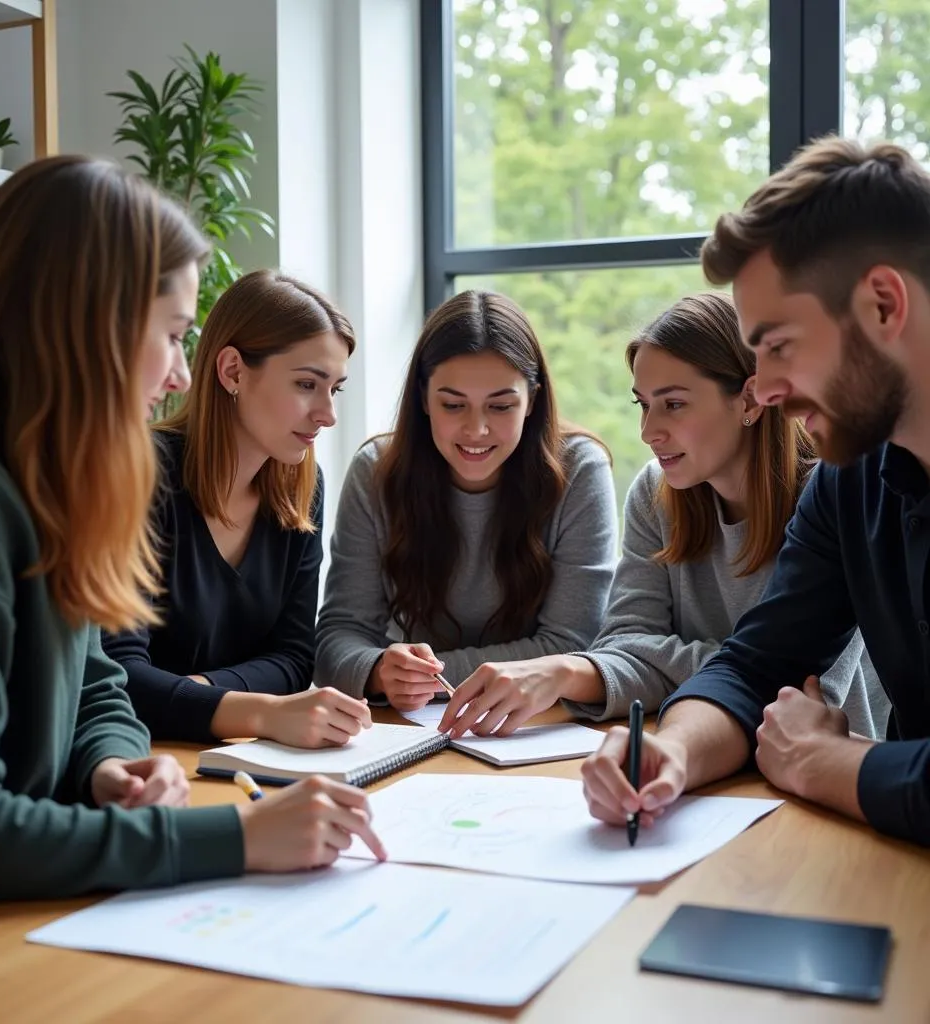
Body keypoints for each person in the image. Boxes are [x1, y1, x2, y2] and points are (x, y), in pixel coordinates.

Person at [0, 156, 383, 905]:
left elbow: (95, 684)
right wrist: (238, 838)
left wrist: (110, 764)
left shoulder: (49, 475)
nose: (180, 377)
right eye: (170, 334)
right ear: (87, 323)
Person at [580, 137, 930, 848]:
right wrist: (673, 750)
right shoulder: (849, 478)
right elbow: (757, 662)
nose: (764, 390)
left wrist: (827, 761)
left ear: (883, 304)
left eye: (779, 345)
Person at [437, 293, 887, 739]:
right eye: (643, 404)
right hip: (698, 746)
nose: (648, 431)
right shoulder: (657, 493)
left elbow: (800, 686)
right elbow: (624, 645)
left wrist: (655, 662)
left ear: (750, 401)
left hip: (825, 769)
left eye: (673, 404)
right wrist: (565, 670)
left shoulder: (832, 497)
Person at [102, 270, 372, 748]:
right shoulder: (139, 474)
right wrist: (259, 711)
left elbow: (292, 660)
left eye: (336, 389)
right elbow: (117, 676)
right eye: (307, 384)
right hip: (141, 758)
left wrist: (198, 694)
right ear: (232, 372)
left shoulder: (301, 487)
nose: (327, 414)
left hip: (227, 754)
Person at [315, 289, 618, 711]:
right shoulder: (376, 471)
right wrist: (378, 670)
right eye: (453, 405)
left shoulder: (580, 469)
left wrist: (432, 677)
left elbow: (571, 646)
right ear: (423, 399)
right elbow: (337, 637)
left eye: (501, 406)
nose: (476, 429)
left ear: (532, 400)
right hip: (413, 727)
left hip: (541, 723)